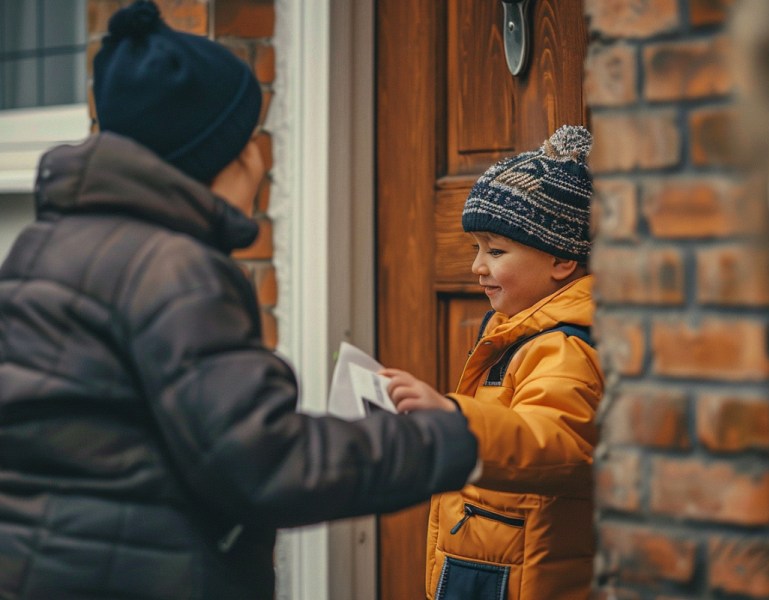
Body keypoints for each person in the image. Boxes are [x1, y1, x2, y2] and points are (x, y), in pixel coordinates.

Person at [0, 2, 477, 599]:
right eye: (253, 137)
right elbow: (265, 464)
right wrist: (449, 439)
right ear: (217, 154)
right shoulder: (175, 270)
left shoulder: (41, 249)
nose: (262, 158)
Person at [382, 125, 603, 600]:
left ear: (562, 260)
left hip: (524, 578)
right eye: (476, 248)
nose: (477, 266)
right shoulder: (512, 331)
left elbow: (559, 443)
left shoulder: (562, 347)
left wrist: (455, 419)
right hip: (492, 563)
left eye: (496, 251)